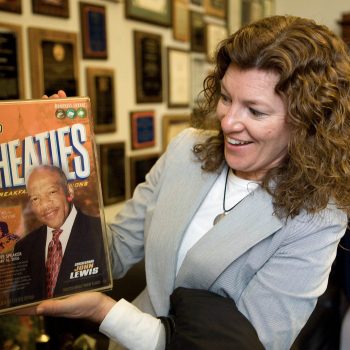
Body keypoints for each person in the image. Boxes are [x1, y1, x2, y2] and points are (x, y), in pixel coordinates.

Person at [25, 15, 350, 350]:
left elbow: (251, 342)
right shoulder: (186, 151)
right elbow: (115, 250)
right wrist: (71, 177)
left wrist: (107, 313)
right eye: (226, 98)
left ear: (308, 122)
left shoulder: (318, 217)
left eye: (255, 111)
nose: (228, 122)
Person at [10, 165, 109, 305]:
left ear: (69, 191)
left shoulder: (99, 232)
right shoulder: (23, 248)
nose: (45, 205)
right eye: (35, 199)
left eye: (51, 192)